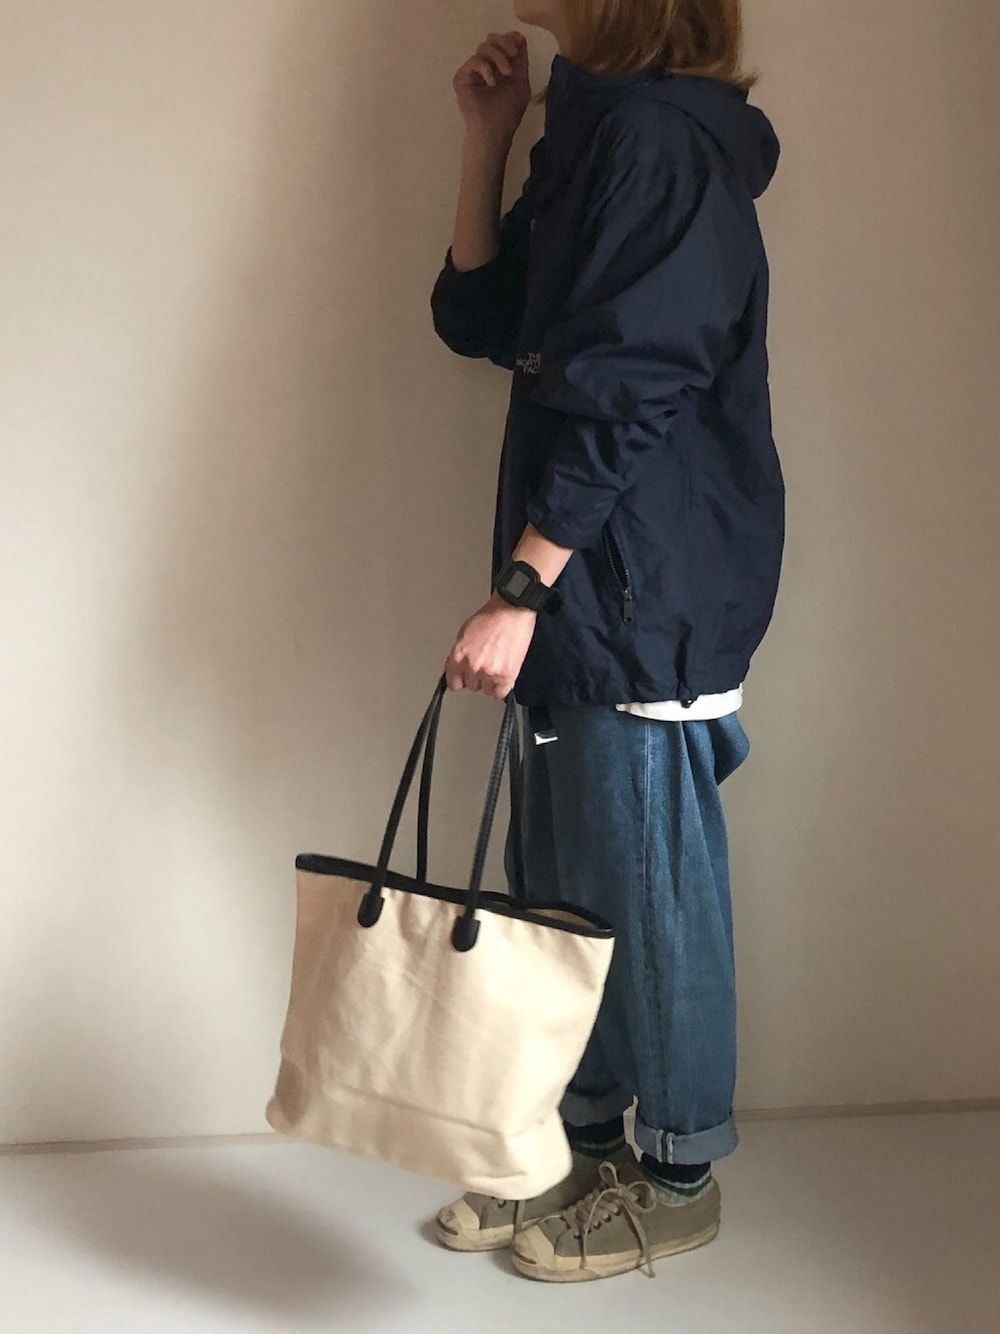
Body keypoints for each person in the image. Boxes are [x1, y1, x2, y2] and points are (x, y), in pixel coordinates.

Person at [431, 0, 784, 1283]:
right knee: (566, 879)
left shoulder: (661, 141)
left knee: (648, 887)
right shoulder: (590, 122)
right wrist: (488, 139)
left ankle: (677, 1173)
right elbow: (481, 320)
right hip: (583, 581)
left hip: (637, 582)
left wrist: (522, 584)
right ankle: (581, 1147)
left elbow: (634, 390)